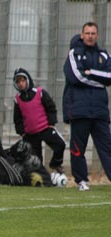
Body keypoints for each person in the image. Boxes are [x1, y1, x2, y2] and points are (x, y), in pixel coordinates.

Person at [63, 22, 111, 191]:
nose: (90, 36)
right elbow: (76, 77)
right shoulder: (74, 54)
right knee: (78, 148)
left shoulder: (104, 55)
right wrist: (99, 82)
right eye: (87, 33)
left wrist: (92, 72)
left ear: (97, 36)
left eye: (93, 33)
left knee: (107, 147)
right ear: (82, 35)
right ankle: (82, 181)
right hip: (79, 110)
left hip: (99, 111)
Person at [13, 67, 66, 174]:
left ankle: (55, 164)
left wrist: (51, 123)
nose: (20, 84)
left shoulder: (40, 92)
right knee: (35, 162)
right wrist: (22, 132)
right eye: (18, 82)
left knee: (60, 144)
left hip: (45, 129)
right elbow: (17, 119)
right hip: (30, 134)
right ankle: (42, 178)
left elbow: (51, 108)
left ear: (28, 80)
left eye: (22, 80)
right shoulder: (17, 99)